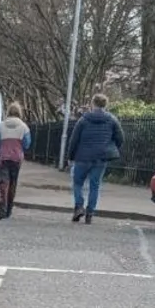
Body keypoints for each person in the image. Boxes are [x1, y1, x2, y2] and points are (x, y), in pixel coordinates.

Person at [64, 93, 124, 224]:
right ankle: (90, 213)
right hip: (101, 157)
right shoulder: (112, 120)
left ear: (93, 104)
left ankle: (79, 207)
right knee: (94, 185)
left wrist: (70, 156)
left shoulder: (84, 120)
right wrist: (111, 147)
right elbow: (120, 138)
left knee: (78, 183)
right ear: (105, 104)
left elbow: (74, 140)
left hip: (83, 157)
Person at [0, 101, 32, 219]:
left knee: (3, 184)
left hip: (4, 158)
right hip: (16, 159)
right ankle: (9, 209)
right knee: (13, 184)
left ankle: (2, 210)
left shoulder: (0, 126)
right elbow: (27, 144)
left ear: (8, 112)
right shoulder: (24, 127)